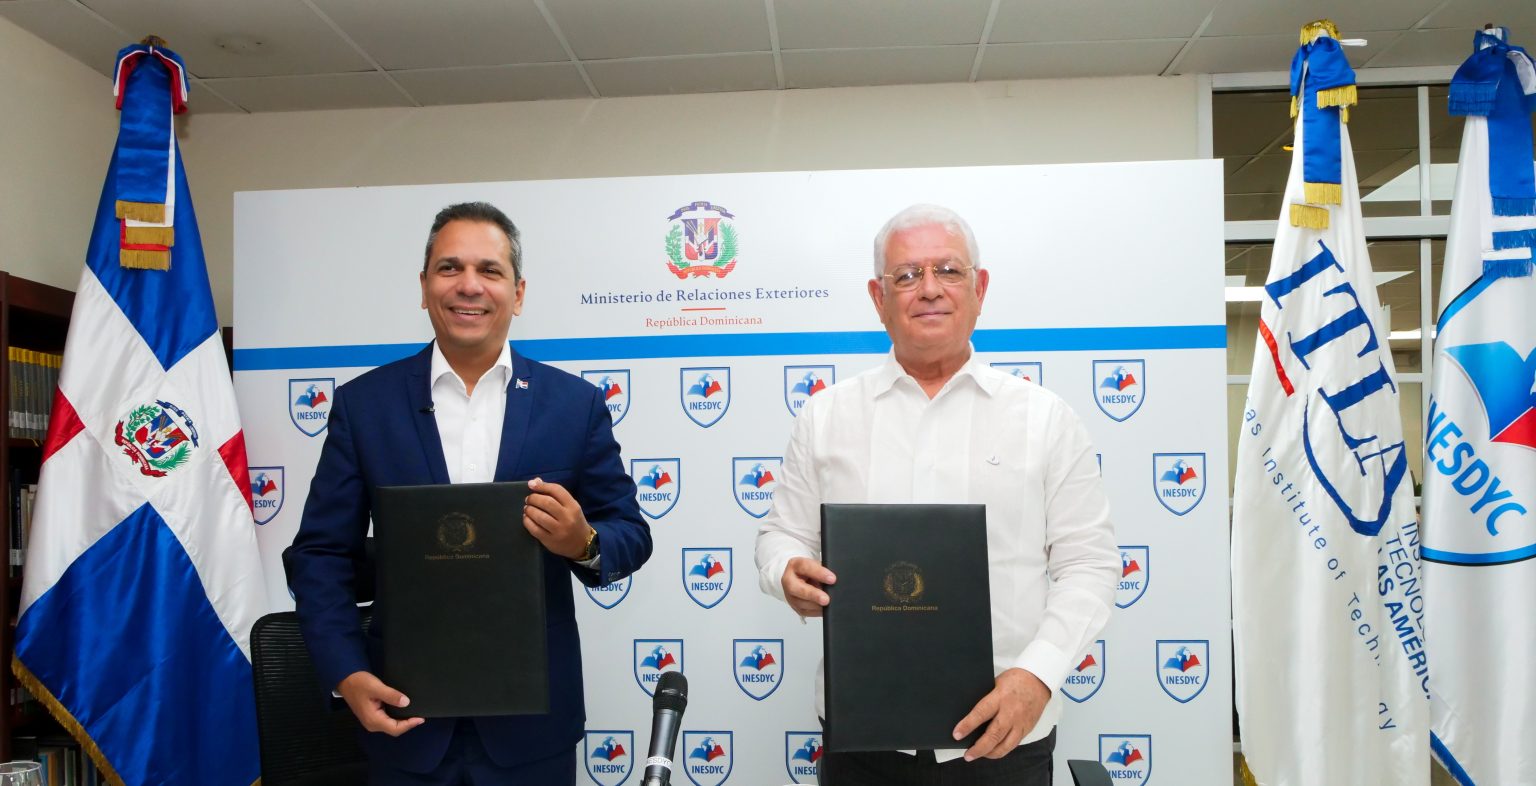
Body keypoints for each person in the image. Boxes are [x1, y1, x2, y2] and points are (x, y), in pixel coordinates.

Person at [284, 201, 651, 785]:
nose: (469, 286)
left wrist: (582, 542)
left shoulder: (574, 406)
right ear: (424, 287)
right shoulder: (364, 406)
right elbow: (320, 555)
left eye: (490, 270)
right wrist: (346, 672)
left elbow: (630, 533)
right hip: (403, 719)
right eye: (449, 268)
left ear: (518, 293)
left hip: (534, 729)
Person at [755, 204, 1118, 785]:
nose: (929, 289)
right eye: (906, 275)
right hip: (861, 740)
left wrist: (1038, 676)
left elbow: (1090, 565)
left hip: (1004, 738)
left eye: (948, 271)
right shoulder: (826, 416)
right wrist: (785, 571)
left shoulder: (1045, 420)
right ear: (878, 298)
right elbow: (782, 535)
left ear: (980, 288)